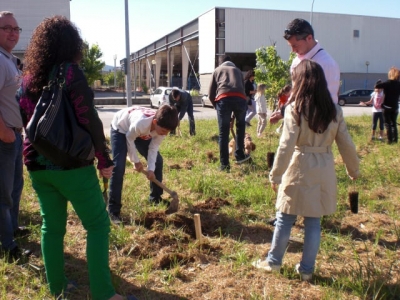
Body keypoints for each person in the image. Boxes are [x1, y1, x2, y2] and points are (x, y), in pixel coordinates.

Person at [17, 16, 136, 300]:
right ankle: (104, 294)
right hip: (71, 166)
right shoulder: (70, 74)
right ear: (72, 44)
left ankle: (57, 288)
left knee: (51, 226)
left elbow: (27, 122)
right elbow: (89, 119)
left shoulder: (27, 80)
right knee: (97, 224)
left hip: (36, 165)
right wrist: (104, 159)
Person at [252, 60, 359, 281]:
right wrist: (353, 169)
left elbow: (286, 144)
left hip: (298, 165)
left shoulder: (295, 109)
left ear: (300, 82)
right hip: (324, 166)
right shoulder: (334, 110)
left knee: (284, 218)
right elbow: (346, 143)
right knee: (313, 221)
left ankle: (274, 262)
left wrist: (276, 173)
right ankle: (307, 270)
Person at [108, 105, 179, 224]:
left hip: (141, 132)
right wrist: (136, 161)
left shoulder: (161, 128)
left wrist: (151, 169)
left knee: (157, 161)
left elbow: (153, 147)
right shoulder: (141, 123)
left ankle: (155, 198)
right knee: (119, 168)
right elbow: (129, 139)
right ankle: (113, 211)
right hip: (121, 128)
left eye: (168, 132)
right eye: (163, 131)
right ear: (155, 122)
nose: (165, 134)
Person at [0, 11, 32, 260]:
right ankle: (6, 245)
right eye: (6, 28)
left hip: (14, 134)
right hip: (4, 137)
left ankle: (12, 228)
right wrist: (3, 131)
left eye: (16, 28)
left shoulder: (9, 59)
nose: (12, 32)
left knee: (15, 187)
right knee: (3, 193)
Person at [270, 18, 340, 124]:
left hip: (317, 125)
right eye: (290, 46)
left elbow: (327, 102)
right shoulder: (296, 61)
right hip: (298, 121)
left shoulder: (326, 64)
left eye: (295, 45)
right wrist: (283, 111)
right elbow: (296, 93)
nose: (293, 50)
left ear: (309, 38)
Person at [208, 55, 251, 172]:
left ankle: (224, 165)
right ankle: (239, 154)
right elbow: (241, 90)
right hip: (241, 100)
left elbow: (211, 94)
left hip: (224, 99)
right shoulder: (237, 70)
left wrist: (218, 108)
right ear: (231, 62)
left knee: (223, 133)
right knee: (241, 127)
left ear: (220, 63)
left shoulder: (217, 70)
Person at [375, 67, 400, 144]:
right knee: (394, 123)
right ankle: (395, 140)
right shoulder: (399, 84)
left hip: (386, 107)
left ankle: (390, 140)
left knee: (387, 124)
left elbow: (377, 86)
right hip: (395, 107)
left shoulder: (387, 83)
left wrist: (378, 81)